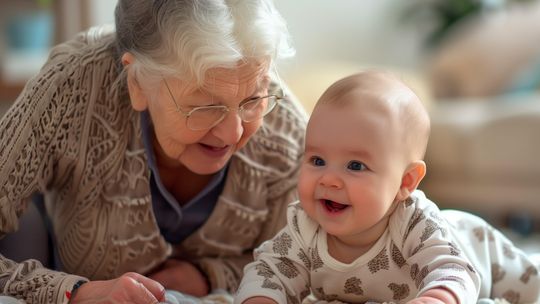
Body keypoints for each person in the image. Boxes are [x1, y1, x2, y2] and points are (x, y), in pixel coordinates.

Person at [0, 0, 307, 303]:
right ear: (137, 82)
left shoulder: (288, 135)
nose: (234, 132)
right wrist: (75, 292)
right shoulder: (71, 86)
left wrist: (210, 276)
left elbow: (314, 264)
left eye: (252, 100)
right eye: (205, 106)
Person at [234, 71, 540, 304]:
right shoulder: (304, 227)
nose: (328, 179)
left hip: (480, 251)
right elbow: (269, 272)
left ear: (405, 182)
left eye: (355, 166)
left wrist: (436, 298)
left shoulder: (414, 223)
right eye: (317, 159)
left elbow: (454, 269)